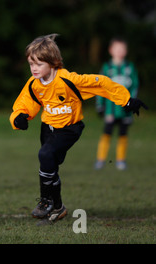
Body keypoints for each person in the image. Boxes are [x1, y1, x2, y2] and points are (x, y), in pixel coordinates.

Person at [9, 34, 147, 225]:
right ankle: (58, 208)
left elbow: (102, 83)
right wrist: (19, 118)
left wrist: (126, 99)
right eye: (31, 63)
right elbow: (24, 103)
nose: (34, 68)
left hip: (69, 128)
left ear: (53, 62)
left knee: (45, 155)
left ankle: (46, 201)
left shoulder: (69, 80)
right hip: (47, 128)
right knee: (50, 165)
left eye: (39, 64)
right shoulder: (34, 84)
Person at [95, 38, 139, 170]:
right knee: (107, 133)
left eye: (122, 49)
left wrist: (132, 103)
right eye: (117, 48)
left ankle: (121, 160)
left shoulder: (129, 67)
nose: (119, 51)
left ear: (126, 51)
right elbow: (99, 87)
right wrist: (100, 104)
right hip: (110, 109)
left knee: (123, 133)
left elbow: (135, 86)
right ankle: (100, 159)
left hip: (125, 109)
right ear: (111, 50)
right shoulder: (107, 67)